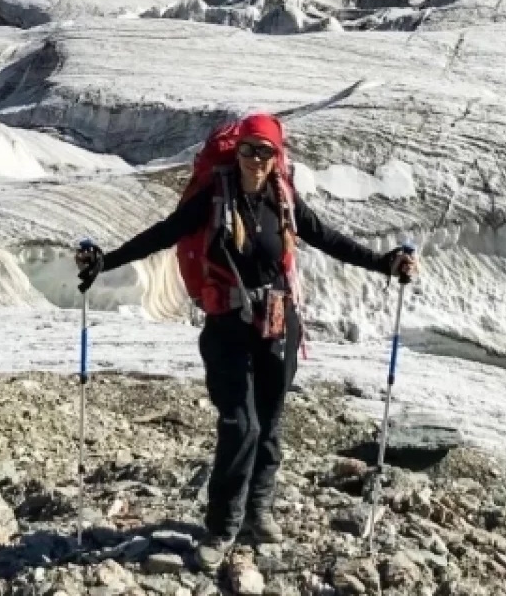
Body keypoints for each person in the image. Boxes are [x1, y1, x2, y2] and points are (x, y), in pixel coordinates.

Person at [74, 113, 417, 573]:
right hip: (228, 327)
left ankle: (258, 512)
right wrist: (107, 262)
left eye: (265, 151)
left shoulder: (284, 200)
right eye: (249, 149)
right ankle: (222, 526)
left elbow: (326, 238)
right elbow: (165, 232)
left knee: (269, 422)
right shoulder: (215, 197)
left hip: (277, 325)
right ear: (237, 152)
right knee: (241, 424)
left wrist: (383, 263)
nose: (256, 159)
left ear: (276, 157)